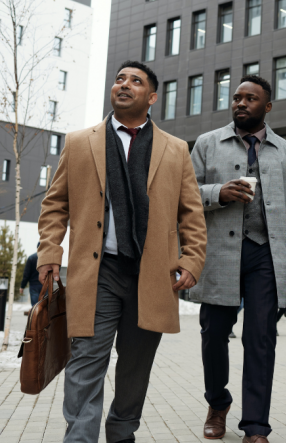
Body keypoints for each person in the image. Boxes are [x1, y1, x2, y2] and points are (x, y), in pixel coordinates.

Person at [36, 60, 207, 443]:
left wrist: (192, 258)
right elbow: (55, 203)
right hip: (96, 273)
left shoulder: (176, 149)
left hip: (152, 275)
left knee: (135, 366)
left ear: (152, 97)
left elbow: (191, 213)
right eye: (119, 80)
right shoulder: (80, 142)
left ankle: (122, 432)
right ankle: (79, 438)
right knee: (86, 361)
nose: (124, 85)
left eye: (135, 81)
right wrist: (50, 251)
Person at [190, 75, 286, 443]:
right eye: (237, 97)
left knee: (261, 340)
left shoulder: (285, 151)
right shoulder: (207, 143)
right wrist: (218, 192)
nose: (241, 103)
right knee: (213, 336)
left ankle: (256, 427)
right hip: (219, 254)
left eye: (251, 99)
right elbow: (184, 195)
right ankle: (218, 401)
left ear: (267, 107)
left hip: (265, 255)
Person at [20, 242, 42, 315]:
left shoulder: (31, 258)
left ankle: (35, 323)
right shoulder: (47, 259)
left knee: (35, 306)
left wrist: (22, 286)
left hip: (34, 285)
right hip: (45, 284)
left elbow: (26, 274)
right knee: (44, 305)